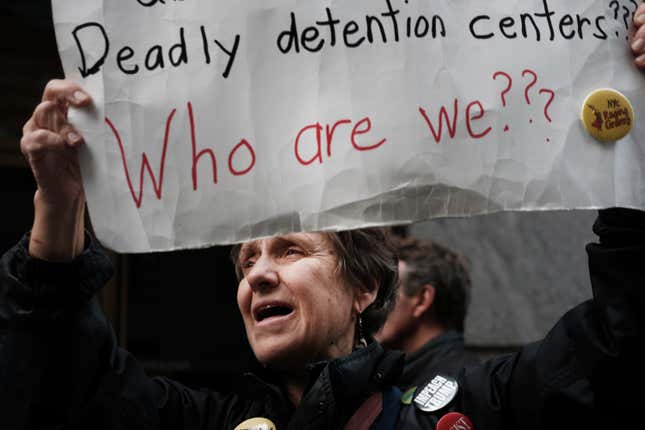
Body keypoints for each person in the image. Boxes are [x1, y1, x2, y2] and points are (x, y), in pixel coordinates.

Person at [1, 7, 645, 429]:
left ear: (365, 287)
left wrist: (636, 142)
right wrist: (56, 210)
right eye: (246, 260)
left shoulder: (469, 408)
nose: (257, 275)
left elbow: (618, 347)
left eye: (290, 250)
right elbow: (61, 388)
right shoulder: (197, 420)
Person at [376, 238, 479, 390]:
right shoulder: (397, 374)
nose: (372, 304)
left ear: (422, 300)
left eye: (386, 293)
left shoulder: (460, 384)